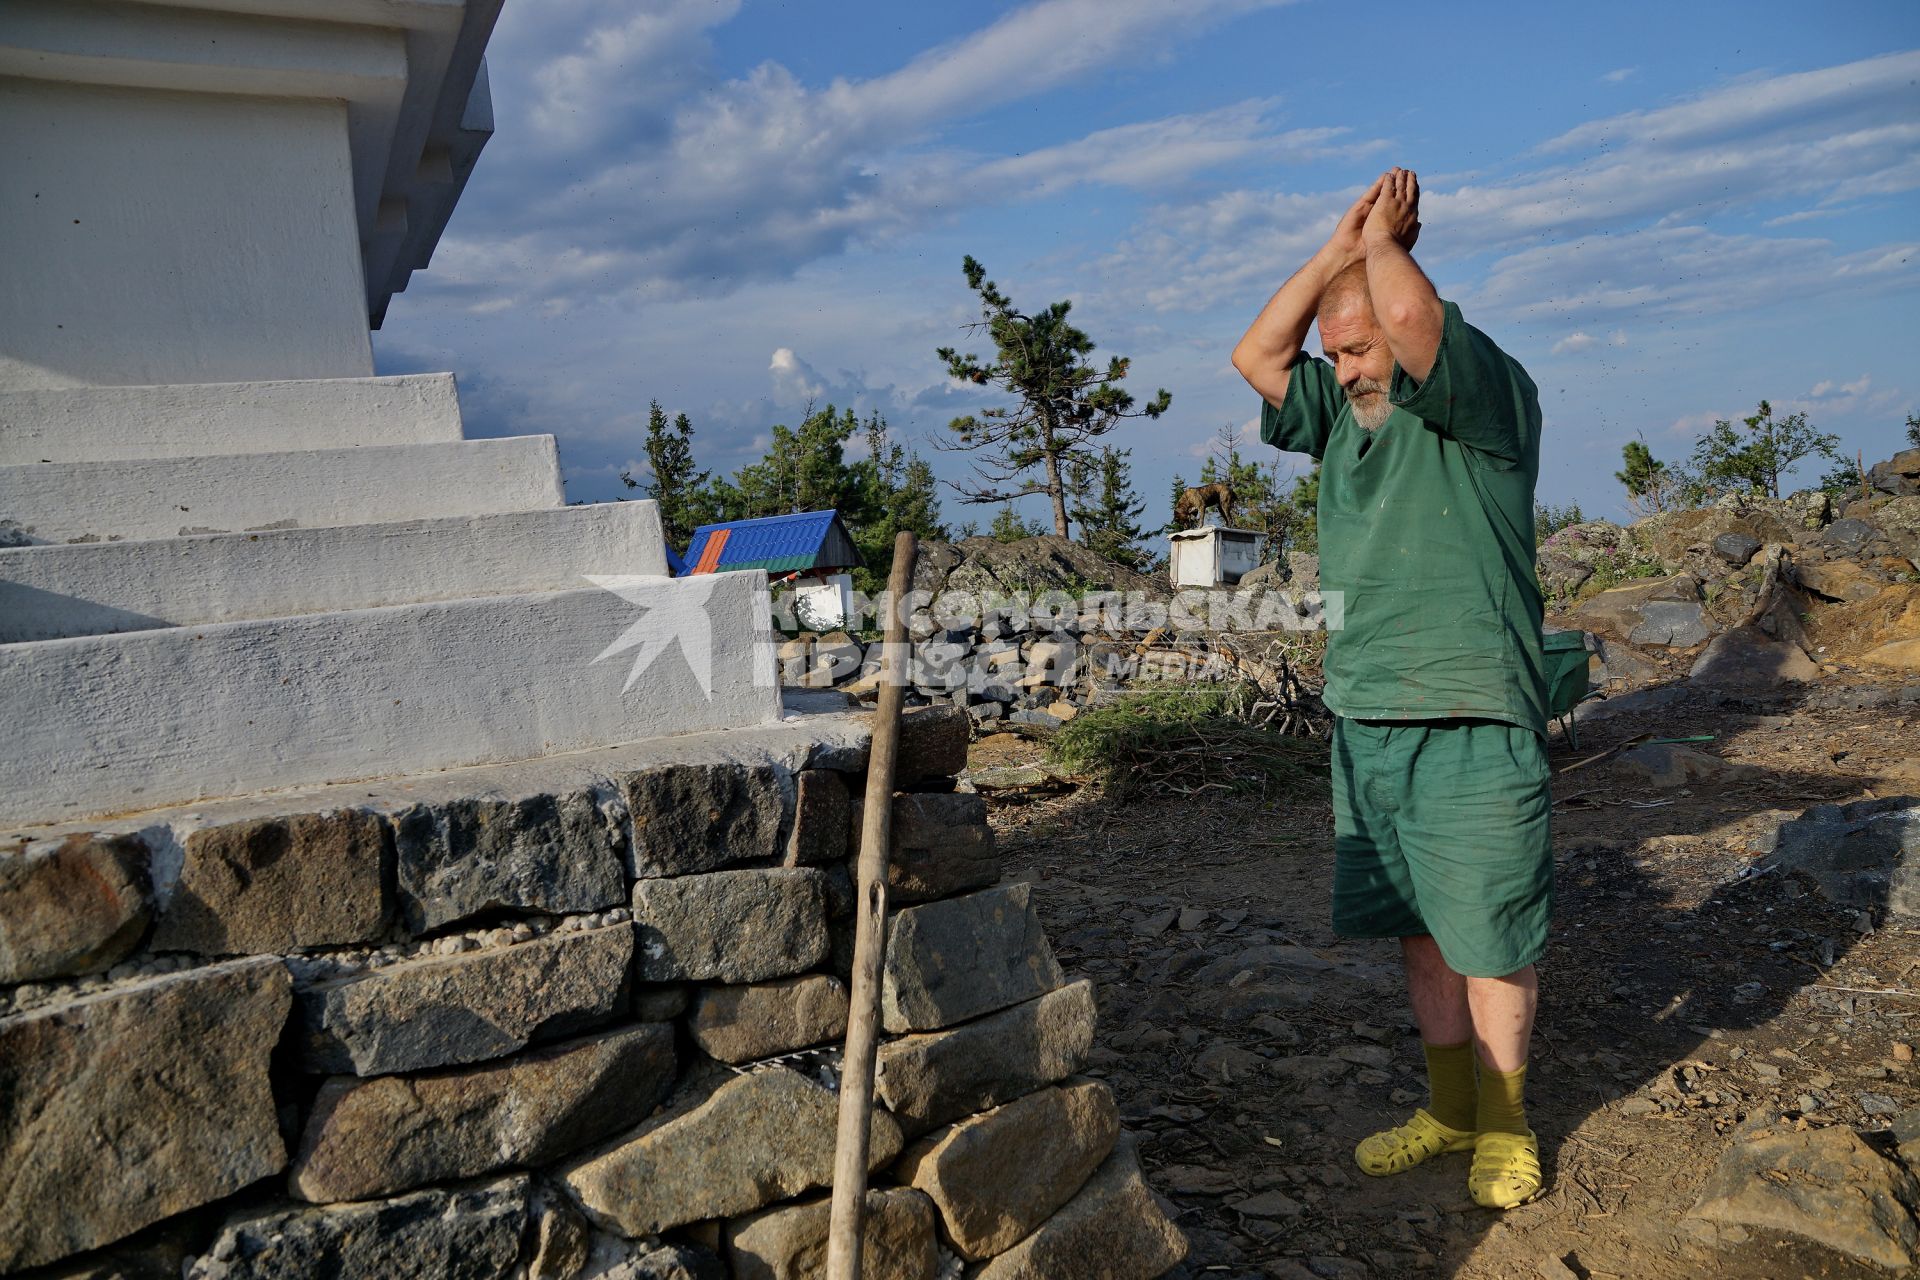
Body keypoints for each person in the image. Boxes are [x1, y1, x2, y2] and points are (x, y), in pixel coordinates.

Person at [1231, 168, 1552, 1209]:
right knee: (1421, 929)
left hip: (1473, 715)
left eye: (1360, 349)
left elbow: (1410, 309)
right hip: (1368, 720)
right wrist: (1334, 254)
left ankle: (1506, 1122)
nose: (1346, 367)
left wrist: (1384, 244)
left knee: (1491, 935)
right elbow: (1255, 354)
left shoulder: (1483, 405)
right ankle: (1451, 1107)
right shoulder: (1339, 416)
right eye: (1338, 354)